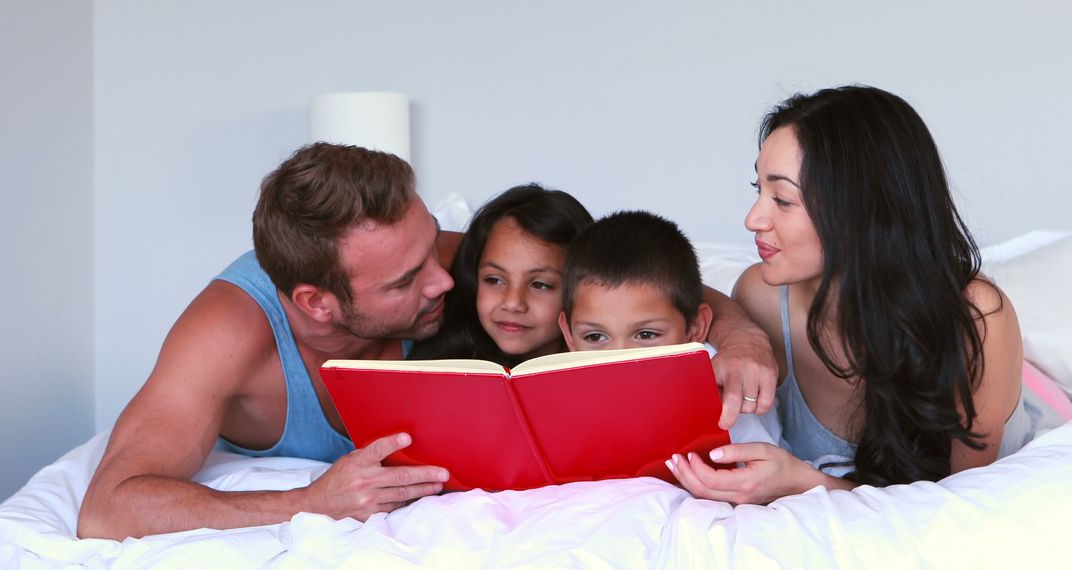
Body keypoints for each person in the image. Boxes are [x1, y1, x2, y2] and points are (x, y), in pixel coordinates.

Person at [78, 143, 777, 540]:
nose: (446, 279)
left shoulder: (435, 263)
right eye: (410, 278)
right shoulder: (227, 334)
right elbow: (110, 506)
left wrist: (741, 333)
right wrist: (307, 503)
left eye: (434, 248)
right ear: (320, 305)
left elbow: (631, 281)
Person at [670, 85, 1064, 504]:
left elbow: (957, 505)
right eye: (758, 190)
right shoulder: (762, 297)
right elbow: (671, 289)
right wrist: (738, 334)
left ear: (860, 209)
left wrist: (803, 482)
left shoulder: (977, 320)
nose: (753, 219)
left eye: (782, 199)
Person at [558, 210, 781, 446]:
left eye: (646, 335)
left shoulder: (725, 384)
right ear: (569, 335)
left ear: (695, 329)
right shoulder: (558, 388)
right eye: (595, 337)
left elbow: (762, 468)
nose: (619, 359)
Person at [409, 184, 593, 368]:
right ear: (473, 280)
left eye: (540, 285)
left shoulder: (601, 371)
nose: (513, 303)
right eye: (494, 280)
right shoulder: (436, 368)